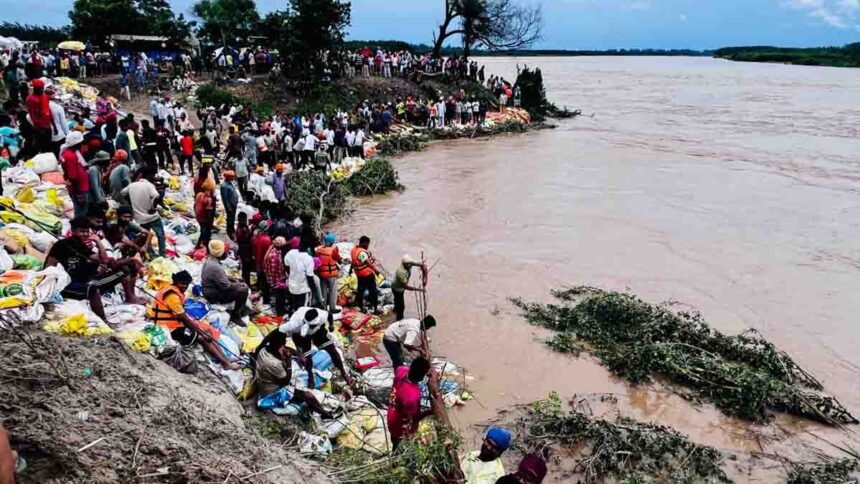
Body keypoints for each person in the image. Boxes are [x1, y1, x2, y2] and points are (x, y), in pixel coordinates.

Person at [45, 217, 141, 323]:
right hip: (72, 283)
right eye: (81, 231)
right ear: (73, 231)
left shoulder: (83, 245)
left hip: (90, 278)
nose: (85, 234)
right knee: (92, 288)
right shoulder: (61, 245)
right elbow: (49, 266)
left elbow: (103, 259)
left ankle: (130, 298)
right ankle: (104, 321)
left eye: (87, 231)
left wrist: (98, 241)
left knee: (124, 270)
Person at [149, 270, 242, 370]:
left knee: (207, 332)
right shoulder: (172, 295)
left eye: (186, 284)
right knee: (202, 337)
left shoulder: (175, 291)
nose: (184, 286)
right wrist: (200, 332)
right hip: (168, 327)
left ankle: (225, 359)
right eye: (182, 283)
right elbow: (184, 319)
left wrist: (202, 330)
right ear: (176, 282)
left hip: (174, 323)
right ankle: (225, 364)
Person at [264, 307, 353, 388]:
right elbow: (274, 333)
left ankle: (344, 373)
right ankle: (310, 377)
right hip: (300, 335)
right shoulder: (294, 324)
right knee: (307, 358)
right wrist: (259, 347)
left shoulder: (321, 315)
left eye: (314, 325)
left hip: (318, 331)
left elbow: (329, 315)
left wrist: (331, 325)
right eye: (311, 326)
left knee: (333, 351)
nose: (312, 327)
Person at [252, 329, 334, 417]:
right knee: (308, 396)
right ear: (278, 346)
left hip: (271, 380)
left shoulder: (264, 349)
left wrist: (298, 354)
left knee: (309, 361)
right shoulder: (273, 363)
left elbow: (285, 348)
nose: (284, 347)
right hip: (273, 393)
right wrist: (289, 362)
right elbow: (285, 381)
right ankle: (326, 414)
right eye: (282, 346)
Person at [387, 356, 433, 449]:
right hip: (399, 424)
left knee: (394, 439)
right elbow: (413, 419)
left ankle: (395, 449)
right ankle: (396, 457)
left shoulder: (401, 370)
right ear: (422, 375)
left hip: (392, 412)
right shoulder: (411, 398)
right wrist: (430, 411)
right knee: (400, 445)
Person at [201, 240, 249, 326]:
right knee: (243, 290)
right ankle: (235, 316)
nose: (227, 253)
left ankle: (241, 308)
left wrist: (234, 279)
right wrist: (239, 284)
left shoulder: (211, 260)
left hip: (210, 289)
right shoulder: (215, 267)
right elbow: (226, 286)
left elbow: (221, 278)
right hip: (213, 295)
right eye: (225, 251)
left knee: (237, 281)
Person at [121, 167, 165, 258]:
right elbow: (157, 196)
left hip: (140, 218)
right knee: (160, 235)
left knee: (146, 236)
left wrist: (130, 202)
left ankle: (152, 255)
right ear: (149, 176)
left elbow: (122, 193)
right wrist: (153, 207)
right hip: (152, 217)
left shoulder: (131, 186)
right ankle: (162, 255)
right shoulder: (149, 185)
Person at [59, 131, 90, 218]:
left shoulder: (69, 153)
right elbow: (73, 176)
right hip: (79, 188)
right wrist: (78, 193)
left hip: (80, 187)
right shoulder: (70, 156)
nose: (81, 144)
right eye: (80, 143)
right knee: (81, 211)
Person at [391, 254, 428, 320]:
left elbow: (424, 266)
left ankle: (395, 310)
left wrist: (425, 278)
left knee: (397, 301)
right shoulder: (401, 272)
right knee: (401, 306)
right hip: (397, 288)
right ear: (404, 264)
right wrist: (418, 289)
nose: (410, 265)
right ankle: (399, 320)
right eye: (408, 264)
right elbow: (406, 286)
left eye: (410, 264)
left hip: (401, 287)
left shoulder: (410, 263)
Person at [351, 236, 380, 314]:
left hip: (359, 275)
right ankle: (375, 309)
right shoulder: (362, 253)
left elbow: (353, 262)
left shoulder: (354, 250)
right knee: (373, 291)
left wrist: (350, 270)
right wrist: (376, 270)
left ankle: (361, 307)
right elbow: (367, 262)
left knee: (360, 290)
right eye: (367, 244)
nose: (367, 246)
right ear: (363, 243)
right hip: (367, 275)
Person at [314, 232, 340, 315]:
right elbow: (338, 259)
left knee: (323, 291)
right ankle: (332, 308)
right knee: (333, 291)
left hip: (321, 274)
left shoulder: (319, 249)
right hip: (331, 274)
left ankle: (324, 308)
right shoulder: (333, 250)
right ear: (332, 242)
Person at [26, 79, 52, 153]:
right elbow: (33, 115)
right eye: (40, 88)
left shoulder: (43, 96)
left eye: (42, 88)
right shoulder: (31, 99)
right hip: (41, 128)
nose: (42, 90)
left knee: (48, 145)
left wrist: (52, 123)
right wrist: (40, 128)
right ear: (35, 89)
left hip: (47, 125)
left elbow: (48, 110)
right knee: (43, 147)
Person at [264, 236, 288, 315]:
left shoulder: (275, 252)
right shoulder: (273, 255)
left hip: (278, 279)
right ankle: (280, 312)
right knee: (280, 297)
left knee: (281, 296)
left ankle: (280, 310)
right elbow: (273, 271)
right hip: (277, 280)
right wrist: (277, 283)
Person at [252, 221, 272, 303]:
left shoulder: (255, 238)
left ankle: (259, 297)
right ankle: (266, 301)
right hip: (265, 266)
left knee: (260, 282)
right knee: (266, 285)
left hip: (258, 264)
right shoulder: (267, 240)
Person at [194, 178, 216, 249]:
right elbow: (208, 212)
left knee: (203, 230)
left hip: (198, 216)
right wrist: (210, 222)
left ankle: (201, 244)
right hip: (204, 218)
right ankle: (202, 245)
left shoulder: (199, 194)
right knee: (204, 231)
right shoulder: (208, 199)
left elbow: (194, 205)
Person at [235, 212, 254, 285]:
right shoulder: (241, 229)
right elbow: (243, 240)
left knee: (246, 269)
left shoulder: (243, 226)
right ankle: (247, 283)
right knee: (246, 268)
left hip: (245, 250)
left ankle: (245, 281)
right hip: (245, 251)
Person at [220, 171, 239, 239]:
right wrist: (228, 208)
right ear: (228, 177)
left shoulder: (229, 183)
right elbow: (224, 198)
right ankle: (230, 232)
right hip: (230, 206)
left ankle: (232, 230)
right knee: (230, 220)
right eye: (231, 177)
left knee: (232, 219)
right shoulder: (224, 186)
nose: (233, 178)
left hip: (233, 204)